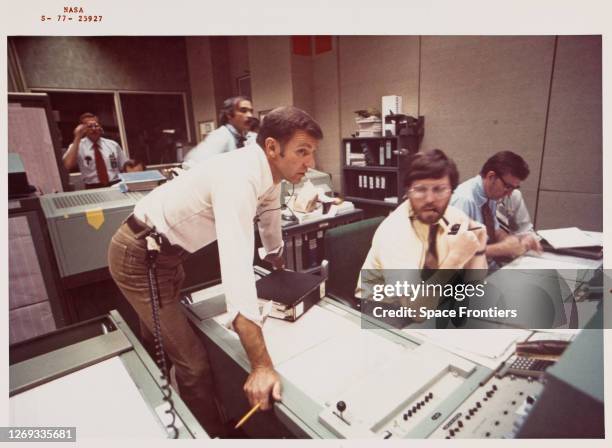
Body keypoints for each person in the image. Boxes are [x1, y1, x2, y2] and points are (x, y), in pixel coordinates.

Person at [107, 106, 322, 436]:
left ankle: (168, 395)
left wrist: (277, 256)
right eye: (302, 152)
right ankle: (207, 433)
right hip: (139, 257)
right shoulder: (239, 178)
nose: (310, 163)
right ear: (272, 147)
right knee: (193, 365)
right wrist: (261, 366)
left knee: (161, 337)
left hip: (167, 256)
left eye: (312, 153)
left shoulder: (267, 173)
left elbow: (269, 214)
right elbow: (237, 275)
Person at [357, 150, 488, 318]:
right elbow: (417, 311)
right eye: (420, 189)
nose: (430, 199)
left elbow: (474, 286)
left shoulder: (455, 217)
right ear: (408, 191)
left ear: (451, 191)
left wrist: (479, 249)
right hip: (384, 308)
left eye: (440, 189)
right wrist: (456, 257)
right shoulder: (394, 232)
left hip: (430, 298)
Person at [451, 151, 541, 262]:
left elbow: (495, 231)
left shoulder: (489, 194)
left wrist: (512, 241)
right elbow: (453, 252)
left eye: (514, 188)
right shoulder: (464, 200)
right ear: (491, 177)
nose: (509, 194)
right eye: (508, 187)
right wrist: (501, 249)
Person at [183, 96, 254, 167]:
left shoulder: (247, 137)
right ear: (229, 114)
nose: (250, 115)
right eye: (243, 111)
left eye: (251, 111)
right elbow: (191, 163)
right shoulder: (220, 136)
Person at [62, 112, 127, 188]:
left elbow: (124, 166)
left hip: (116, 184)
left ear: (100, 127)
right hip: (93, 187)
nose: (93, 129)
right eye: (89, 126)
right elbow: (67, 165)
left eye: (96, 125)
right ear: (83, 129)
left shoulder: (112, 145)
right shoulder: (77, 146)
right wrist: (77, 137)